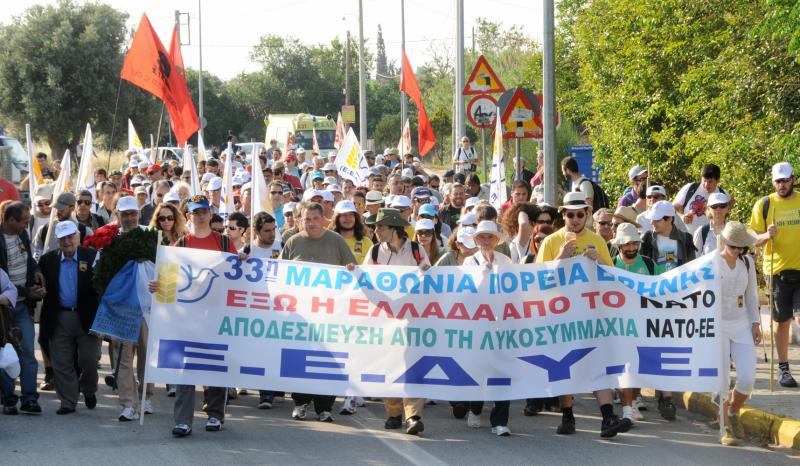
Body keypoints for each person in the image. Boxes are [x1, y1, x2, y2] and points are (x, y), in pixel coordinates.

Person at [536, 192, 631, 438]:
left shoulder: (597, 240)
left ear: (587, 215)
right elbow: (536, 280)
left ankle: (608, 417)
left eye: (580, 214)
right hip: (560, 316)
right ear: (563, 215)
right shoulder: (552, 241)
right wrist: (561, 258)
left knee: (598, 363)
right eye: (571, 214)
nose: (576, 219)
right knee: (564, 366)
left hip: (591, 315)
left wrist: (599, 259)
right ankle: (568, 416)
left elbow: (613, 278)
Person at [148, 195, 238, 437]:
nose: (200, 216)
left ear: (210, 214)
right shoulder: (181, 246)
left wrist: (245, 262)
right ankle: (183, 420)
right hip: (187, 317)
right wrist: (157, 286)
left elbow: (237, 275)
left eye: (204, 212)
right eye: (195, 212)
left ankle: (215, 415)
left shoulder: (225, 243)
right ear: (189, 216)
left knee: (216, 365)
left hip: (217, 314)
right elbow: (169, 278)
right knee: (185, 367)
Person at [280, 203, 356, 423]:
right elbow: (279, 274)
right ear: (300, 220)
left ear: (323, 219)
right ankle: (300, 403)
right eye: (306, 218)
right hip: (301, 315)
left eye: (315, 218)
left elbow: (353, 269)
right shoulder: (293, 242)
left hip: (330, 314)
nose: (311, 222)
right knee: (300, 359)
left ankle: (325, 407)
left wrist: (350, 269)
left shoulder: (337, 241)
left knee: (328, 361)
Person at [364, 208, 429, 435]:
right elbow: (365, 281)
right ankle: (393, 413)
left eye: (381, 226)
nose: (376, 230)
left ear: (393, 228)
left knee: (411, 365)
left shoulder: (416, 250)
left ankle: (413, 415)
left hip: (411, 317)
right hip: (385, 318)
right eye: (376, 226)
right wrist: (354, 272)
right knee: (389, 364)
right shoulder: (373, 252)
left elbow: (427, 278)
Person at [37, 221, 100, 415]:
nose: (67, 241)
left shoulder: (92, 256)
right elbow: (36, 275)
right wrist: (37, 279)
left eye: (71, 236)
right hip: (59, 317)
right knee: (62, 363)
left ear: (78, 236)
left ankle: (88, 389)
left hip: (87, 318)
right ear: (57, 240)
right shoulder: (48, 260)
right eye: (63, 238)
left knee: (89, 360)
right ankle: (68, 401)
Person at [457, 220, 513, 436]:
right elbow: (465, 293)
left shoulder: (507, 261)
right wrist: (484, 273)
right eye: (482, 237)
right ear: (476, 240)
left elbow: (515, 290)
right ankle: (475, 406)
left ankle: (500, 420)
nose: (486, 241)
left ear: (497, 240)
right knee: (478, 368)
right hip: (478, 324)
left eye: (490, 237)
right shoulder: (470, 263)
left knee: (502, 370)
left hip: (502, 324)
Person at [751, 162, 800, 387]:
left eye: (786, 180)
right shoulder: (765, 204)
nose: (782, 184)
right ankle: (784, 368)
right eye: (778, 181)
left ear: (793, 179)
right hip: (777, 272)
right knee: (782, 323)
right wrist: (765, 236)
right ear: (773, 181)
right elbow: (752, 237)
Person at [715, 222, 762, 446]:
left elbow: (752, 295)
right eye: (733, 247)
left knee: (746, 378)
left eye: (741, 247)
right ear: (724, 242)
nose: (737, 251)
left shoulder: (747, 262)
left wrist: (755, 323)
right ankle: (724, 426)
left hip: (741, 323)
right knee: (722, 379)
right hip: (717, 326)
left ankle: (733, 412)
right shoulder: (712, 262)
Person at [112, 197, 155, 422]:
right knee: (123, 357)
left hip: (148, 306)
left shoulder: (151, 236)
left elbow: (165, 266)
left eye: (132, 213)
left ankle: (146, 396)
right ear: (117, 215)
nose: (129, 218)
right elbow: (101, 272)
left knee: (146, 354)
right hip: (122, 309)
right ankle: (128, 403)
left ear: (139, 214)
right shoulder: (111, 239)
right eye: (124, 214)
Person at [0, 202, 45, 415]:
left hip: (22, 307)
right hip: (3, 311)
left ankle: (29, 399)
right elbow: (3, 283)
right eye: (24, 221)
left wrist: (35, 270)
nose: (27, 225)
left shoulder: (22, 236)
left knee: (28, 350)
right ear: (10, 221)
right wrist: (29, 291)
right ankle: (9, 398)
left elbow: (28, 260)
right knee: (5, 354)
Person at [610, 223, 655, 424]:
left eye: (634, 244)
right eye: (627, 244)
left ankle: (633, 399)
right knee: (624, 366)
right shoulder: (610, 264)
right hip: (617, 326)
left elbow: (665, 287)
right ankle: (628, 407)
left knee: (637, 365)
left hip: (643, 323)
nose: (631, 248)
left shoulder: (650, 264)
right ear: (619, 245)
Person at [673, 163, 726, 235]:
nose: (706, 185)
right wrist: (682, 216)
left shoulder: (722, 194)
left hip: (711, 241)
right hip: (688, 240)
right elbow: (672, 208)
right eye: (704, 181)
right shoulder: (690, 188)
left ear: (718, 180)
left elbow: (731, 202)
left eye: (710, 181)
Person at [331, 200, 373, 264]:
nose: (348, 218)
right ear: (337, 218)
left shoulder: (367, 242)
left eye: (351, 214)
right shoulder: (330, 242)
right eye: (344, 215)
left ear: (355, 217)